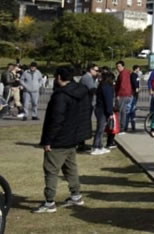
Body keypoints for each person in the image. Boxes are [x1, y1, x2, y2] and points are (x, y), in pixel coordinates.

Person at [33, 66, 92, 213]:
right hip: (73, 136)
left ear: (59, 77)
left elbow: (56, 120)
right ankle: (76, 195)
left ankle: (49, 202)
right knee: (70, 167)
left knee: (51, 170)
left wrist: (48, 141)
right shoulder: (81, 91)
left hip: (60, 138)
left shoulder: (61, 96)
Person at [90, 70, 115, 155]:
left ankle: (99, 145)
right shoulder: (107, 87)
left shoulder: (101, 85)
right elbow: (108, 101)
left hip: (99, 108)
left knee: (101, 128)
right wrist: (110, 112)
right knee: (100, 129)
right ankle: (96, 146)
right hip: (103, 110)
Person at [77, 64, 100, 152]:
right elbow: (93, 89)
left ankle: (82, 143)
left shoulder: (91, 78)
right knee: (83, 123)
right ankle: (80, 144)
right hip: (84, 104)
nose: (97, 72)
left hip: (87, 103)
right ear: (90, 70)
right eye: (96, 70)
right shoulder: (87, 78)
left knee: (85, 123)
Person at [111, 61, 133, 149]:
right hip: (127, 94)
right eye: (117, 66)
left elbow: (123, 85)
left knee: (120, 112)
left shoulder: (123, 74)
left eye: (119, 66)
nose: (118, 68)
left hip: (123, 94)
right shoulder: (126, 73)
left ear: (123, 66)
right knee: (123, 111)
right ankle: (122, 127)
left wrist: (118, 95)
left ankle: (121, 128)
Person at [127, 66, 141, 132]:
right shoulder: (133, 75)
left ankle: (132, 125)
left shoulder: (136, 75)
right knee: (130, 108)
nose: (139, 69)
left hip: (135, 93)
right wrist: (136, 88)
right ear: (136, 68)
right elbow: (134, 82)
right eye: (138, 68)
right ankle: (127, 125)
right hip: (133, 93)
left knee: (132, 108)